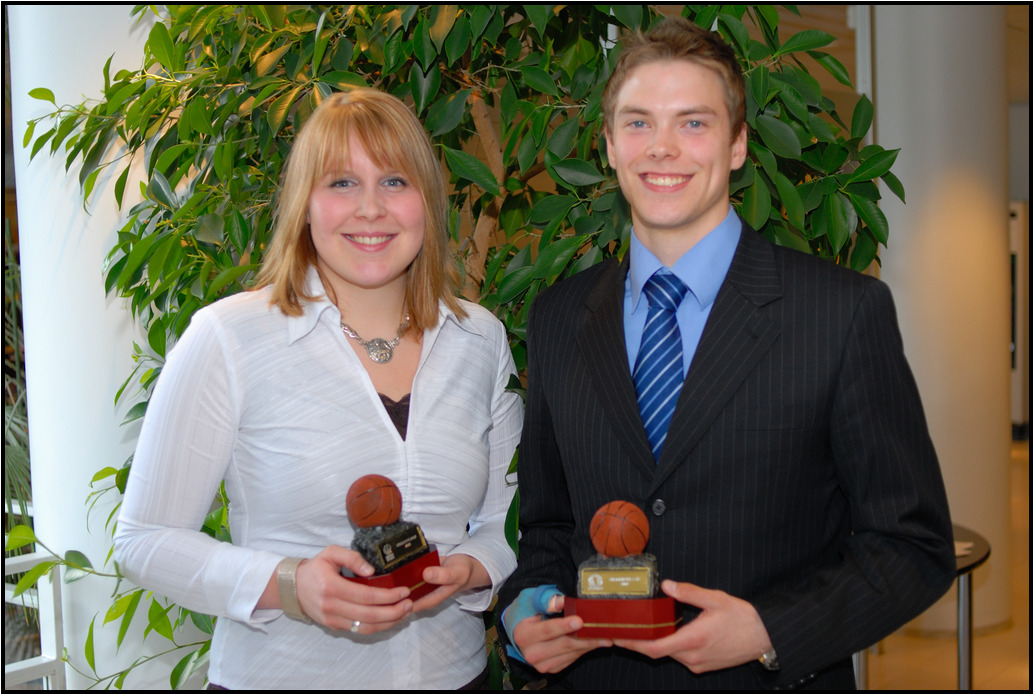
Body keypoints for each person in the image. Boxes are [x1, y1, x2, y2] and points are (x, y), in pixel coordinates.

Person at [497, 16, 955, 691]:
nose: (662, 147)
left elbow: (912, 546)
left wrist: (772, 629)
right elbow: (548, 526)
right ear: (609, 146)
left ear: (738, 144)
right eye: (638, 123)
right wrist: (525, 609)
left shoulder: (841, 313)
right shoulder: (560, 316)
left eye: (693, 123)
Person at [114, 88, 523, 690]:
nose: (370, 209)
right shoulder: (229, 337)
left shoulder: (480, 338)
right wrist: (291, 584)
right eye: (341, 183)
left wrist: (472, 568)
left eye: (394, 181)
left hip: (458, 677)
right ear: (304, 205)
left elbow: (508, 523)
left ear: (428, 202)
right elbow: (143, 541)